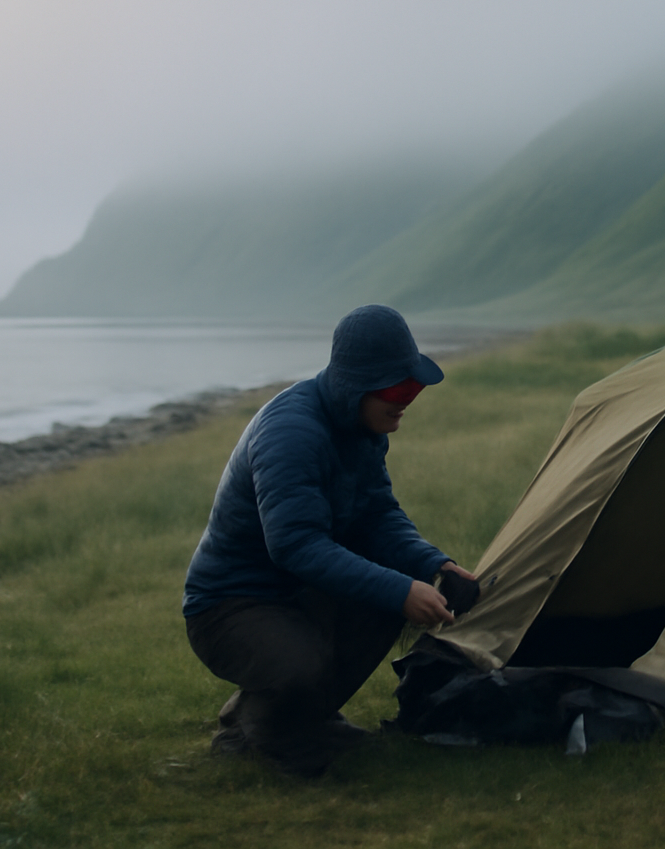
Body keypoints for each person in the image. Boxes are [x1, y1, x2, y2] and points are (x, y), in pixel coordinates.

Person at [182, 304, 477, 775]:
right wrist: (400, 590)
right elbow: (295, 545)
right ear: (356, 385)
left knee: (390, 595)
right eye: (398, 389)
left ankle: (289, 720)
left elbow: (378, 515)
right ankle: (268, 730)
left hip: (295, 593)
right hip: (229, 607)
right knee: (302, 665)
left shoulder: (362, 428)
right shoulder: (291, 433)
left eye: (414, 389)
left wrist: (434, 567)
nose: (407, 401)